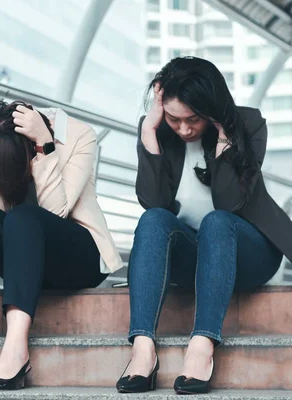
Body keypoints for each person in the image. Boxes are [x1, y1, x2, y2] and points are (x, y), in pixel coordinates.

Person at [0, 100, 123, 392]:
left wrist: (44, 146)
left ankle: (16, 350)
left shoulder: (79, 134)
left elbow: (56, 212)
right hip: (22, 259)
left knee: (23, 217)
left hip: (78, 255)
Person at [116, 57, 292, 395]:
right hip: (191, 257)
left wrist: (225, 136)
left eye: (193, 119)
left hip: (247, 253)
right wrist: (149, 134)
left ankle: (202, 345)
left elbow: (229, 204)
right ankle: (142, 349)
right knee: (152, 220)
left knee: (217, 221)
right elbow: (154, 205)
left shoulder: (250, 124)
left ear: (210, 110)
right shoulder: (158, 130)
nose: (183, 129)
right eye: (173, 118)